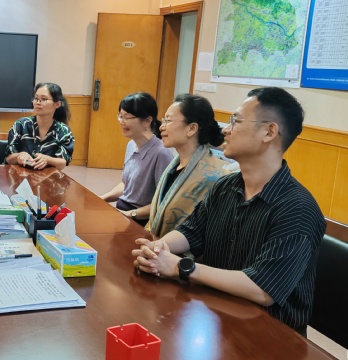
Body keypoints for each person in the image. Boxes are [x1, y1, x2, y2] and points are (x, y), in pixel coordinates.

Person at [132, 87, 325, 334]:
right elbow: (191, 230)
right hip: (215, 317)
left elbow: (262, 289)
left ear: (269, 132)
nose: (225, 130)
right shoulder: (226, 185)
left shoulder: (298, 208)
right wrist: (159, 248)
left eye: (236, 121)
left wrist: (181, 267)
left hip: (269, 337)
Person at [147, 93, 230, 238]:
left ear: (191, 129)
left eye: (168, 120)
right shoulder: (175, 165)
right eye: (163, 120)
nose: (162, 127)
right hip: (158, 245)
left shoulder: (211, 177)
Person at [99, 92, 173, 224]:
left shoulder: (162, 153)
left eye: (127, 117)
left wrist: (130, 214)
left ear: (147, 121)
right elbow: (126, 185)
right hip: (123, 211)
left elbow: (164, 202)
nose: (122, 122)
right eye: (120, 116)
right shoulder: (131, 144)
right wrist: (103, 198)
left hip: (141, 220)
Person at [5, 82, 74, 170]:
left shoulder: (63, 131)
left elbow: (62, 163)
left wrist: (48, 160)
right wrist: (20, 155)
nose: (38, 102)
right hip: (20, 175)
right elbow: (8, 158)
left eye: (44, 99)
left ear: (57, 104)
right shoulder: (21, 124)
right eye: (36, 98)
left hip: (48, 176)